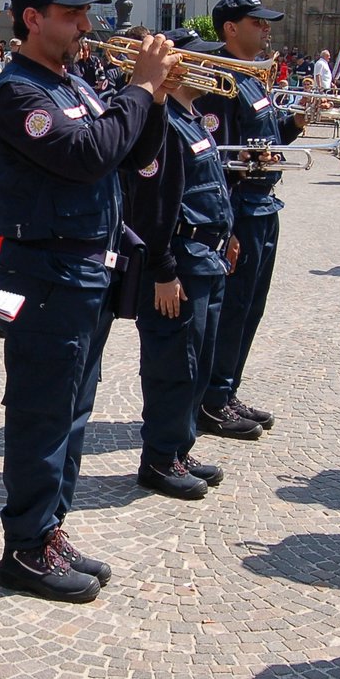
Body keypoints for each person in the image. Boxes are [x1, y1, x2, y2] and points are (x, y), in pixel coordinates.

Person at [0, 0, 173, 603]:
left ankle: (50, 528)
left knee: (74, 408)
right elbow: (87, 156)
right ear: (31, 19)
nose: (86, 25)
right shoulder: (17, 93)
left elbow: (133, 156)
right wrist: (138, 87)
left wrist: (156, 99)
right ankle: (26, 546)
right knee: (42, 411)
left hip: (89, 265)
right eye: (71, 14)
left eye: (85, 13)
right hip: (45, 270)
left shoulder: (74, 83)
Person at [128, 28, 232, 500]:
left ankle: (179, 447)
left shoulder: (193, 118)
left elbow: (207, 188)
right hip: (180, 262)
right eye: (204, 60)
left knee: (199, 362)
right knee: (174, 364)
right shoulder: (164, 121)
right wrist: (162, 269)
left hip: (205, 257)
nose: (213, 68)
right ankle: (159, 457)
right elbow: (151, 206)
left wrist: (226, 234)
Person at [196, 0, 303, 437]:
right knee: (233, 308)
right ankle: (212, 399)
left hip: (264, 202)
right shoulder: (221, 79)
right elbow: (220, 157)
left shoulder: (253, 77)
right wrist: (229, 227)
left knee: (251, 308)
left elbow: (266, 139)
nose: (266, 29)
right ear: (231, 28)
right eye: (257, 22)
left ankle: (229, 387)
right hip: (241, 205)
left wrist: (294, 126)